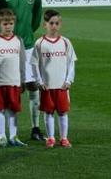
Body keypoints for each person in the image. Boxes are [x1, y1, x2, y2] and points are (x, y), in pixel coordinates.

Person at [0, 0, 44, 142]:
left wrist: (25, 34)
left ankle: (35, 128)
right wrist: (3, 38)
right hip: (5, 47)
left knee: (33, 87)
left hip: (26, 46)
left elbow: (36, 19)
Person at [31, 10, 77, 149]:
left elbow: (71, 63)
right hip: (47, 85)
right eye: (51, 23)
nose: (54, 26)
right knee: (49, 112)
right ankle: (50, 138)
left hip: (62, 85)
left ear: (60, 24)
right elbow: (34, 64)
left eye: (57, 23)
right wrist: (39, 81)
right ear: (45, 25)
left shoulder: (65, 42)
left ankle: (64, 138)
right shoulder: (39, 43)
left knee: (63, 112)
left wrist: (69, 80)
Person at [0, 9, 27, 148]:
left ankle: (13, 136)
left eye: (11, 23)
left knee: (13, 110)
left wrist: (23, 79)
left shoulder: (18, 40)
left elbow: (22, 62)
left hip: (14, 81)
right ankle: (2, 136)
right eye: (5, 24)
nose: (8, 26)